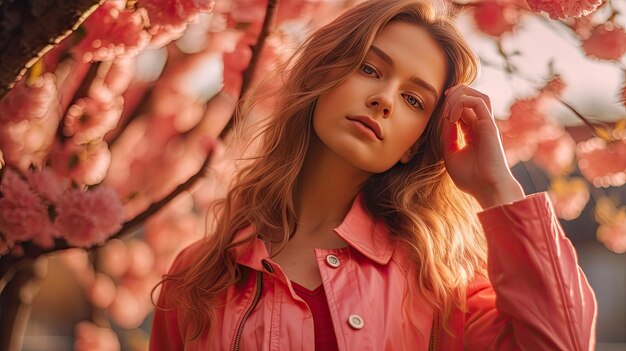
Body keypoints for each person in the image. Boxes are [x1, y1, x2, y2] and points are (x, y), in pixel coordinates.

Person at [150, 0, 597, 349]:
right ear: (324, 74)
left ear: (415, 146)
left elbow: (563, 343)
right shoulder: (201, 273)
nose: (384, 99)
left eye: (414, 100)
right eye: (369, 68)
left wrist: (497, 188)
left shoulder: (441, 284)